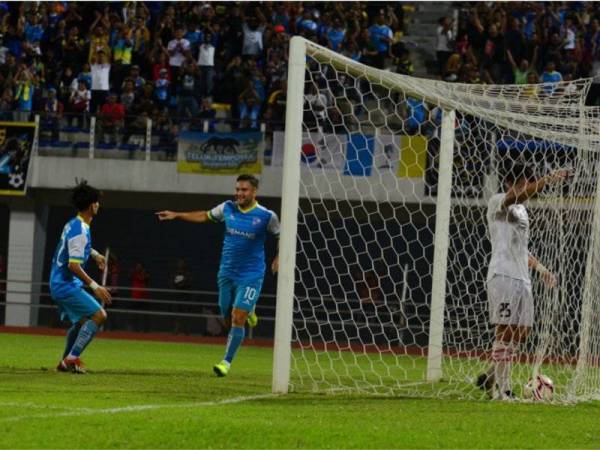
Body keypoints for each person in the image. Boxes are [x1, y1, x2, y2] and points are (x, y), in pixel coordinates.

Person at [156, 174, 280, 377]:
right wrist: (177, 214)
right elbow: (204, 216)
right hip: (227, 272)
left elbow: (281, 235)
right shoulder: (227, 208)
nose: (239, 193)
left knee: (237, 316)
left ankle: (226, 362)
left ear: (254, 192)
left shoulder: (267, 216)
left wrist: (278, 257)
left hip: (251, 274)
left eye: (244, 190)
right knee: (226, 315)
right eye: (237, 189)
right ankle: (249, 310)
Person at [476, 164, 568, 400]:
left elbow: (522, 250)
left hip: (522, 279)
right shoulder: (498, 200)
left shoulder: (523, 212)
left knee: (522, 332)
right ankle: (503, 390)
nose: (526, 187)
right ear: (510, 184)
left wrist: (541, 269)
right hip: (502, 275)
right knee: (505, 331)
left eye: (527, 182)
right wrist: (546, 180)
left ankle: (492, 376)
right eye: (522, 183)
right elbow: (518, 195)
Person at [50, 181, 112, 374]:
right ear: (92, 205)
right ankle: (72, 358)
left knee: (82, 323)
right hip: (65, 285)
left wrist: (94, 254)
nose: (98, 205)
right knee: (99, 315)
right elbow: (73, 265)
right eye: (97, 202)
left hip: (60, 283)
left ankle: (65, 361)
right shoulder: (80, 230)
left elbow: (74, 247)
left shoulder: (74, 224)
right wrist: (95, 287)